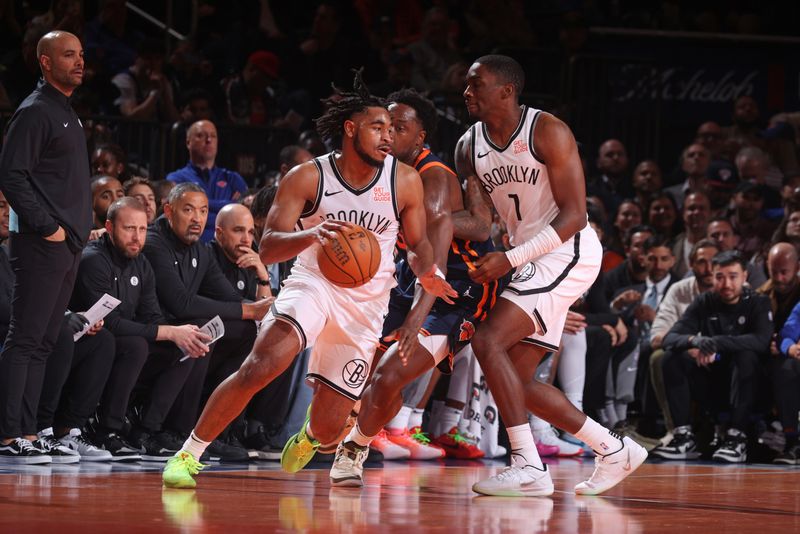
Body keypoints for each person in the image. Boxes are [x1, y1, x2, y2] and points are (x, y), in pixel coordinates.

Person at [162, 72, 454, 488]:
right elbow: (268, 248)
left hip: (367, 303)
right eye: (378, 127)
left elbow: (420, 243)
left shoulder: (403, 180)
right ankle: (188, 455)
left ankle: (312, 436)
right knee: (262, 364)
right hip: (314, 282)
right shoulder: (308, 177)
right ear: (351, 129)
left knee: (331, 427)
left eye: (392, 129)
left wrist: (427, 270)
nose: (388, 137)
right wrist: (311, 234)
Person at [446, 55, 647, 496]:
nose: (466, 93)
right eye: (466, 85)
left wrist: (511, 258)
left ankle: (528, 466)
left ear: (507, 90)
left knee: (487, 341)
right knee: (516, 381)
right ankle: (614, 450)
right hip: (527, 257)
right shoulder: (467, 146)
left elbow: (576, 216)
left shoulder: (547, 131)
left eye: (476, 84)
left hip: (567, 252)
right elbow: (481, 222)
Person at [327, 88, 504, 469]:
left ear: (420, 138)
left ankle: (362, 443)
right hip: (412, 276)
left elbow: (438, 257)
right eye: (386, 126)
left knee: (392, 371)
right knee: (362, 356)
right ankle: (340, 433)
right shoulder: (385, 173)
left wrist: (414, 319)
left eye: (400, 128)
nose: (389, 135)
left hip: (460, 285)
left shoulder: (434, 177)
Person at [0, 30, 92, 463]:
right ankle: (9, 433)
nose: (79, 62)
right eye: (68, 55)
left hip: (64, 245)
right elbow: (12, 174)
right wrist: (47, 228)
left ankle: (29, 430)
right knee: (26, 339)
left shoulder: (65, 111)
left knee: (42, 343)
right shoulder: (36, 111)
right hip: (42, 244)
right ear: (45, 62)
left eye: (80, 55)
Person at [70, 197, 213, 460]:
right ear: (110, 227)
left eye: (143, 229)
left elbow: (152, 315)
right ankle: (105, 430)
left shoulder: (141, 264)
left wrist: (179, 334)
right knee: (134, 345)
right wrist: (168, 331)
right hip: (90, 346)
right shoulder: (93, 260)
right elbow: (109, 323)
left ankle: (148, 429)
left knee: (188, 346)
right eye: (129, 229)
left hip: (126, 345)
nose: (137, 237)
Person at [654, 250, 772, 463]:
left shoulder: (758, 302)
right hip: (712, 381)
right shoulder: (705, 301)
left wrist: (717, 342)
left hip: (750, 384)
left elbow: (761, 341)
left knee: (746, 355)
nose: (726, 283)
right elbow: (669, 338)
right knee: (670, 358)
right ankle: (683, 437)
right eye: (720, 277)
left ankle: (737, 437)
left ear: (745, 276)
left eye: (732, 276)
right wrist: (696, 341)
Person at [166, 120, 249, 242]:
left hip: (228, 250)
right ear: (188, 142)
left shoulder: (232, 178)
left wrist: (198, 207)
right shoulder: (176, 179)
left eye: (213, 136)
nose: (209, 140)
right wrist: (230, 204)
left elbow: (244, 214)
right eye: (201, 136)